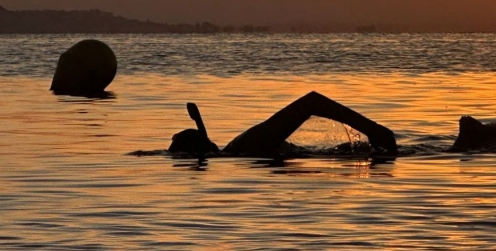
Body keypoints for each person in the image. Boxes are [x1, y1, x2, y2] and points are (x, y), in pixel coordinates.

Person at [168, 91, 398, 158]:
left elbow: (312, 101)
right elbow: (312, 102)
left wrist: (373, 130)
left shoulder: (248, 145)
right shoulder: (244, 147)